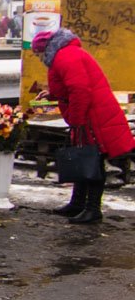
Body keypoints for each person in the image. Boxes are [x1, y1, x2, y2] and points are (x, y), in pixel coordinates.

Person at [32, 28, 135, 224]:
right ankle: (78, 204)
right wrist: (52, 94)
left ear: (45, 49)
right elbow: (70, 87)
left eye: (37, 53)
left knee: (92, 161)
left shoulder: (65, 57)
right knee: (83, 158)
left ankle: (92, 209)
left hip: (93, 117)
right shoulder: (65, 55)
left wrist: (77, 120)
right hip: (91, 115)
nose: (37, 57)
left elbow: (80, 91)